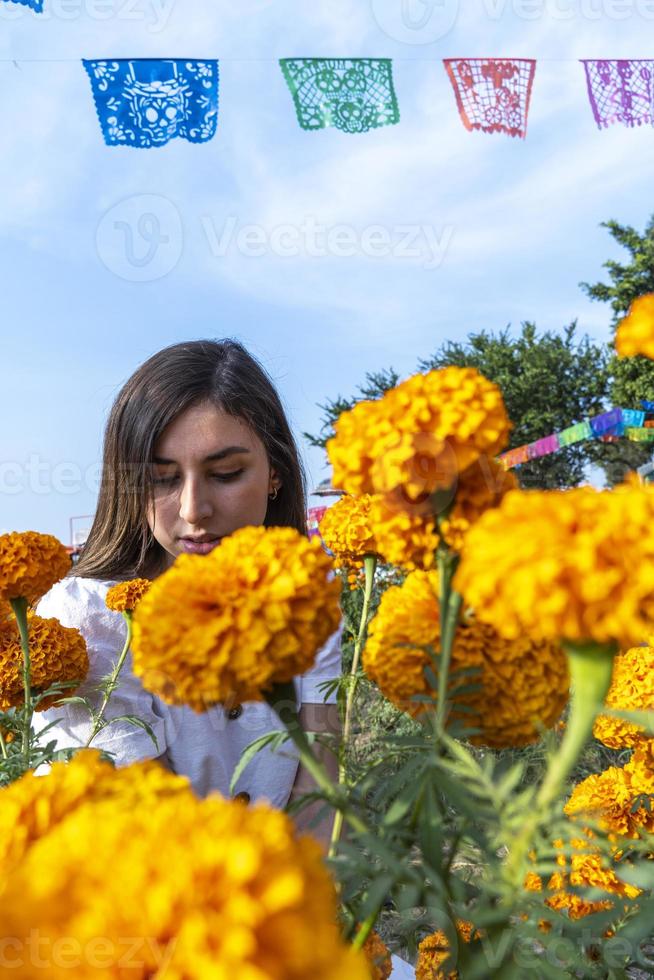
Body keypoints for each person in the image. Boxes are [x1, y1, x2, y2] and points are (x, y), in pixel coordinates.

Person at [34, 338, 341, 846]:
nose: (194, 509)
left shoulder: (306, 591)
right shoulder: (90, 618)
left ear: (276, 473)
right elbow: (149, 831)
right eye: (161, 480)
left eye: (225, 474)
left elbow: (320, 779)